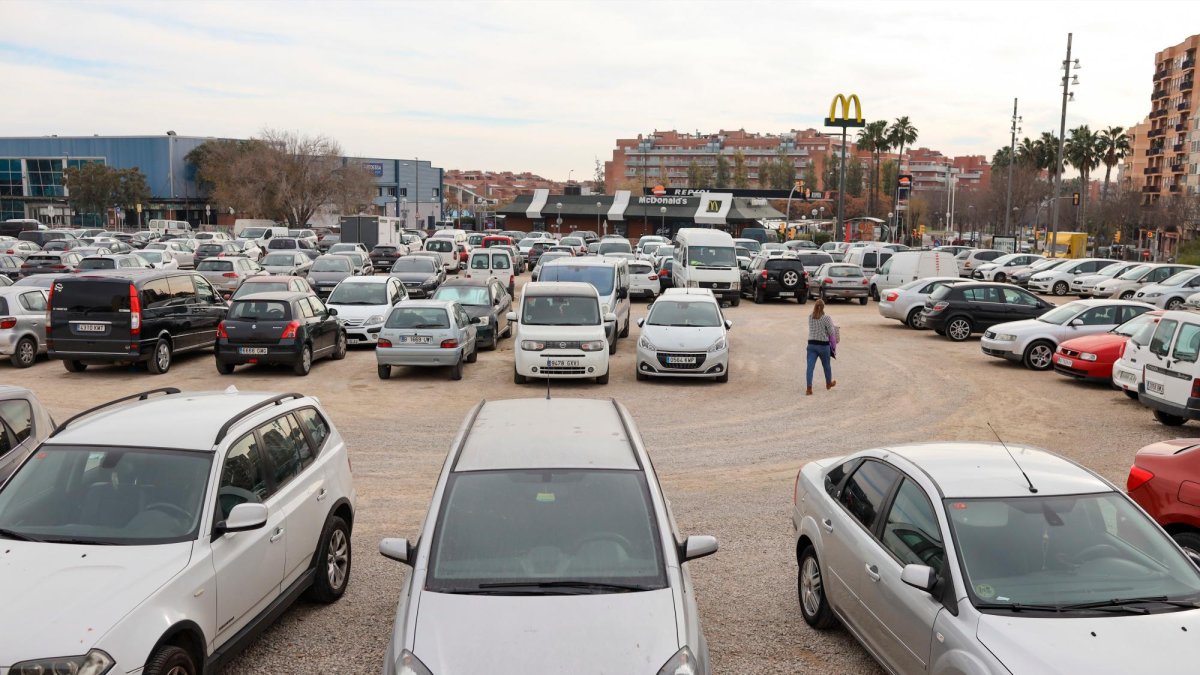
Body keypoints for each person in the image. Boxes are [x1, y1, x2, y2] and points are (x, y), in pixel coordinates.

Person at [806, 299, 837, 395]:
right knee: (826, 366)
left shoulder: (810, 317)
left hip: (811, 345)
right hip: (823, 346)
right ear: (823, 307)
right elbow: (831, 333)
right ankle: (828, 383)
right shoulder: (826, 318)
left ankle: (809, 388)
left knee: (810, 367)